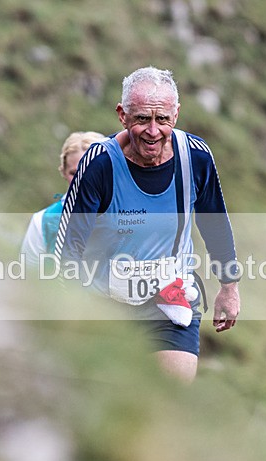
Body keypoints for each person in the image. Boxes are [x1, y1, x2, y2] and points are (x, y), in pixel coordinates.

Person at [53, 66, 241, 382]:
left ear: (176, 115)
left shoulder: (195, 157)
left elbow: (215, 224)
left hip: (171, 302)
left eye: (162, 119)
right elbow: (70, 245)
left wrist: (229, 287)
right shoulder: (99, 163)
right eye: (142, 119)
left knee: (173, 403)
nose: (153, 131)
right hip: (106, 305)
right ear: (122, 115)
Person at [21, 131, 106, 265]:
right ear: (63, 172)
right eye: (74, 173)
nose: (81, 180)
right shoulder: (44, 221)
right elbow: (28, 278)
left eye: (91, 171)